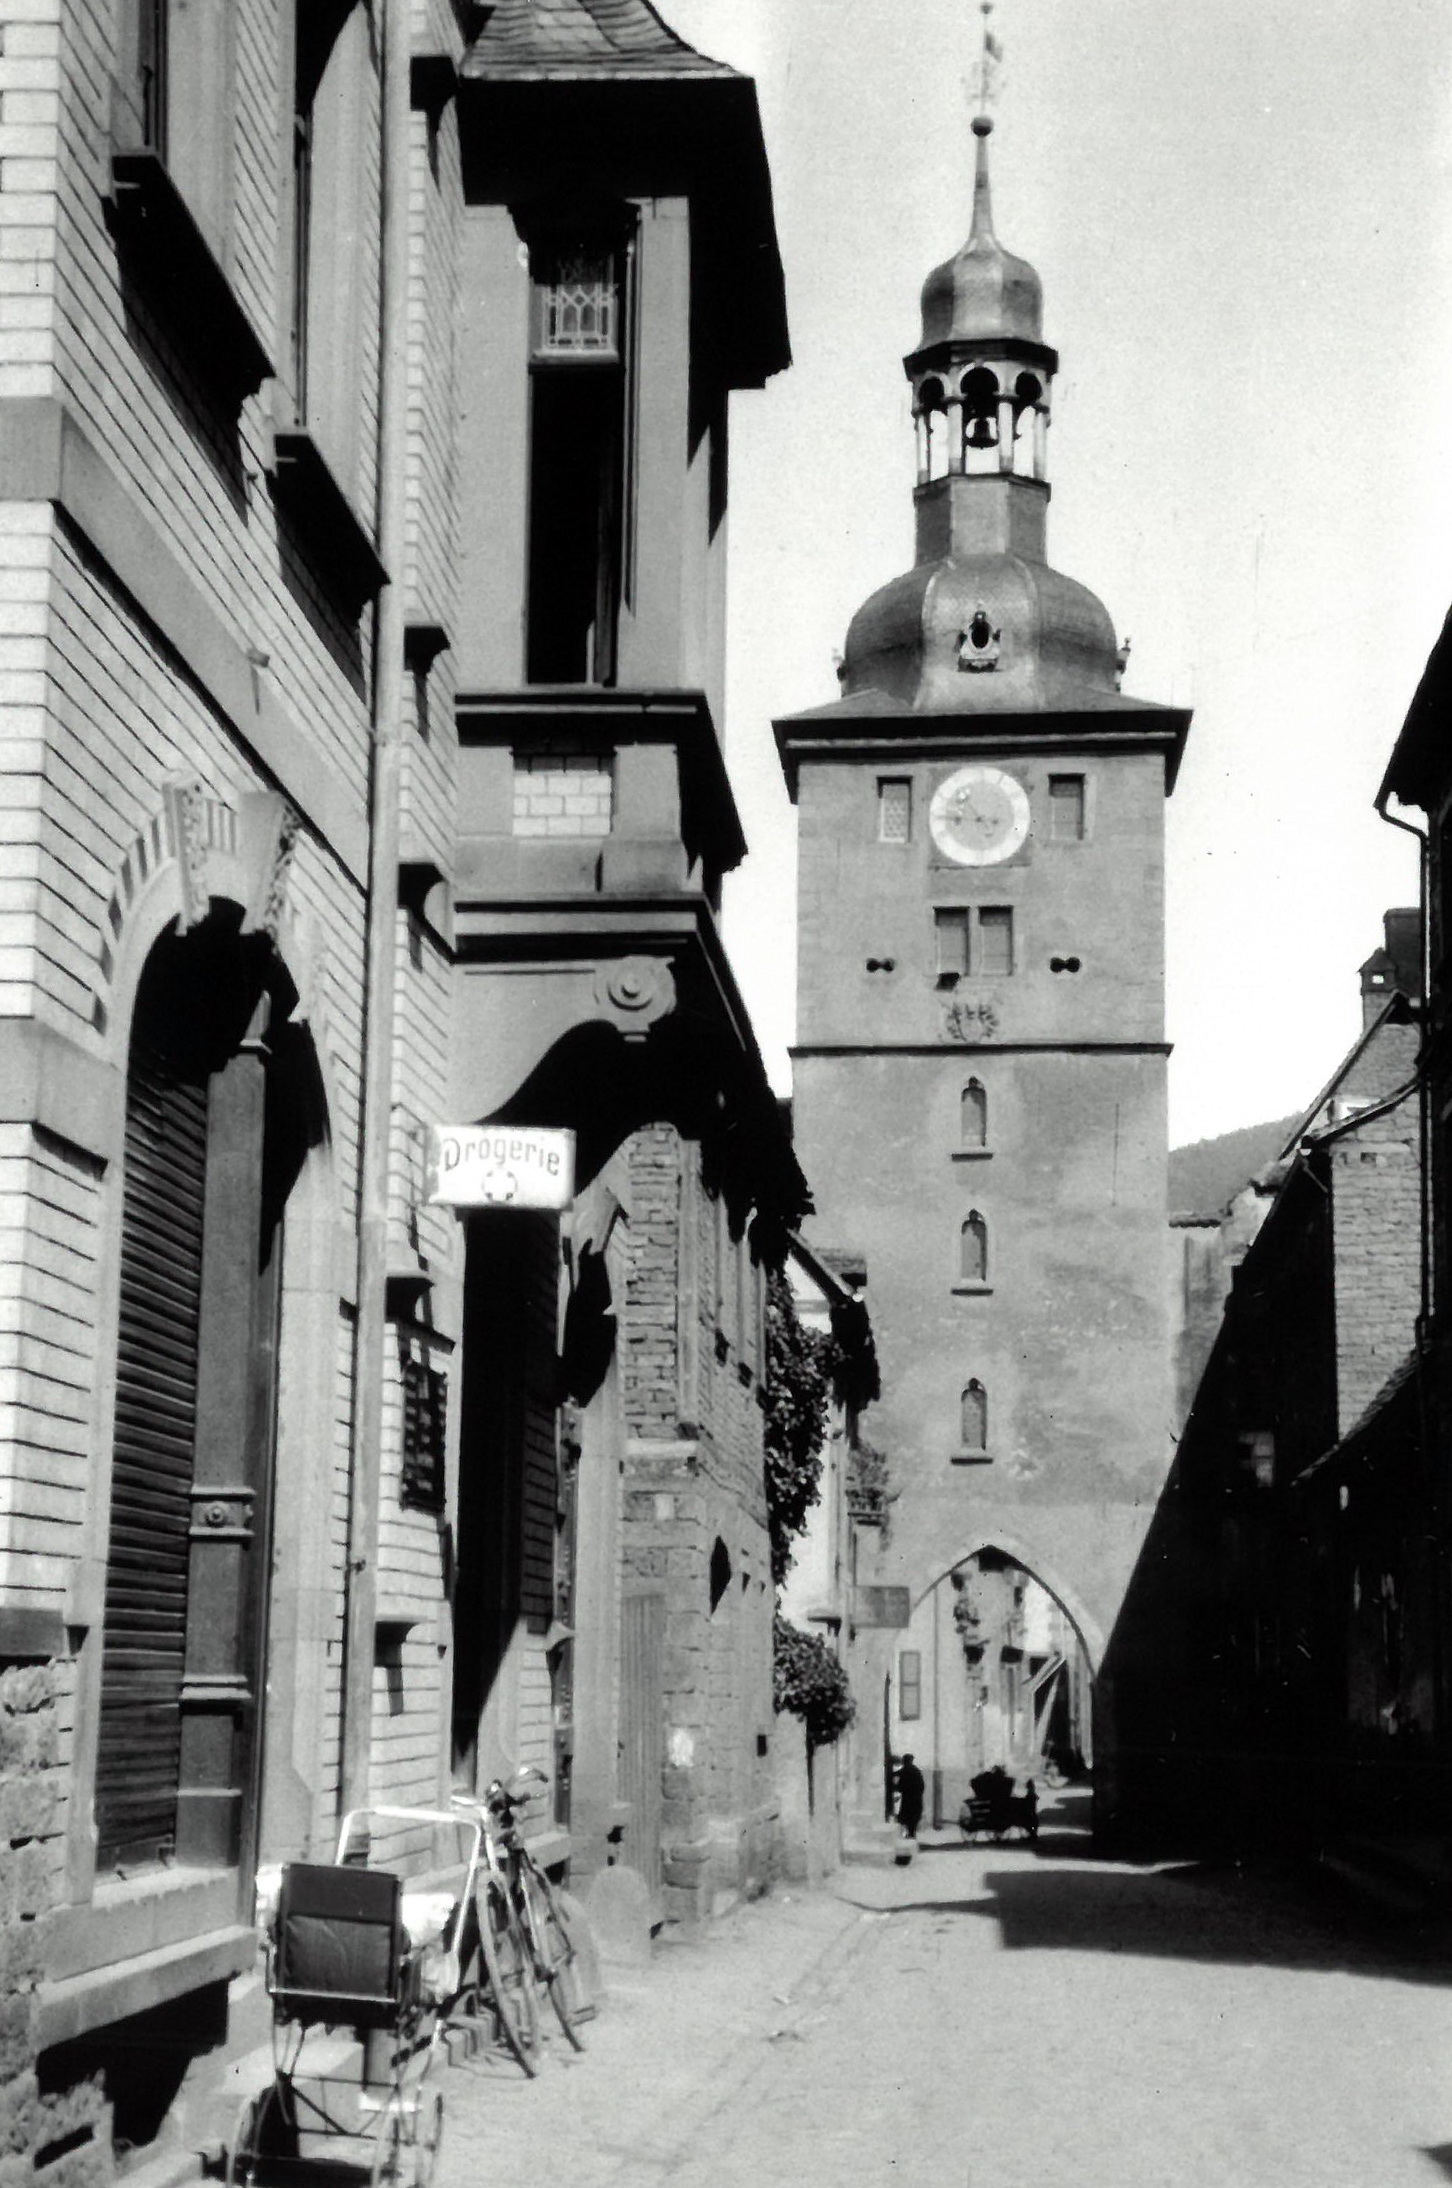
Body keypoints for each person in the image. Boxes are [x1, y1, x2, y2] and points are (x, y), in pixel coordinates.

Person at [895, 1752, 925, 1838]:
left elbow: (900, 1784)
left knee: (907, 1817)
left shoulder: (905, 1771)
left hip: (908, 1799)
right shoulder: (916, 1771)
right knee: (913, 1818)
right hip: (916, 1799)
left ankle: (910, 1833)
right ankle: (911, 1833)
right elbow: (922, 1786)